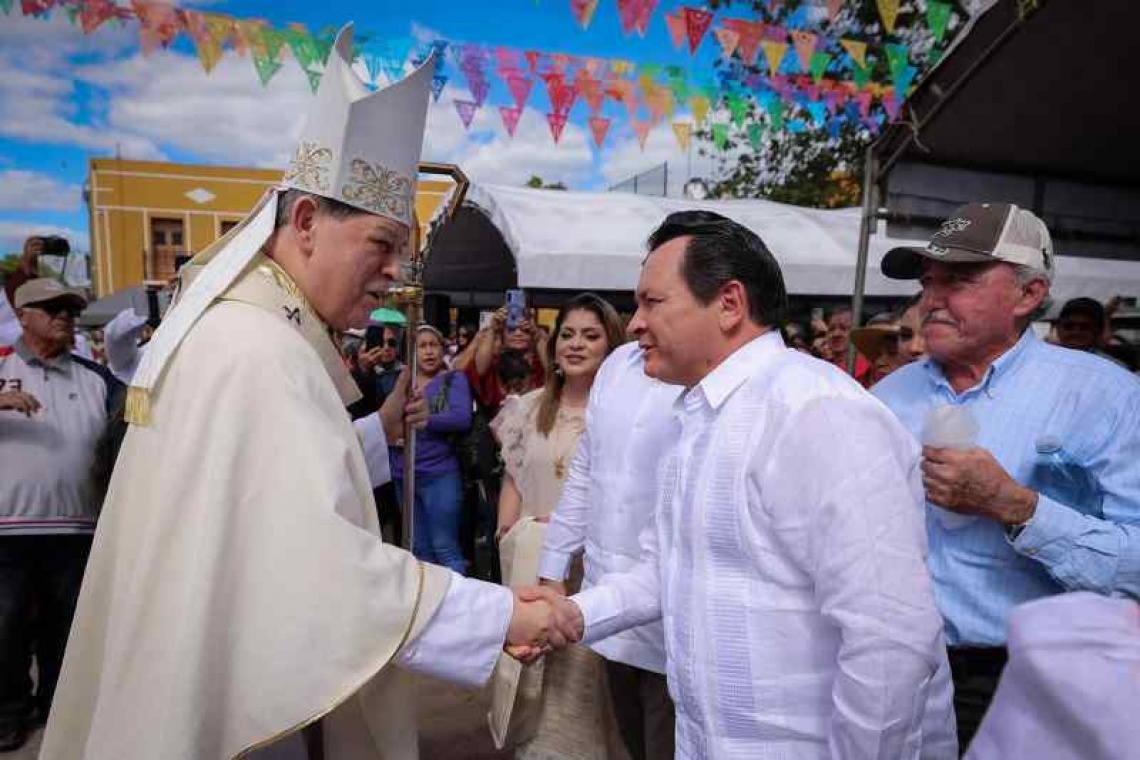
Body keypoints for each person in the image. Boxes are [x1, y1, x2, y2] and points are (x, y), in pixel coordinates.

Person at [39, 26, 556, 760]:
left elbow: (258, 493)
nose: (394, 277)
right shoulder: (259, 348)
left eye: (403, 255)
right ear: (308, 222)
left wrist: (376, 433)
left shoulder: (249, 330)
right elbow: (314, 568)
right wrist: (499, 613)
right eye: (382, 246)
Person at [534, 211, 956, 759]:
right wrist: (575, 614)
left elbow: (889, 641)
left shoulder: (815, 412)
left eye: (652, 302)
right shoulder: (697, 417)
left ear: (729, 304)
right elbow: (666, 570)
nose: (634, 323)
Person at [872, 202, 1140, 749]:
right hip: (896, 674)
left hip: (1033, 682)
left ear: (1029, 294)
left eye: (961, 279)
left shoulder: (1106, 397)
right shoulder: (885, 398)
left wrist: (1018, 507)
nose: (935, 299)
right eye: (929, 281)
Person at [490, 293, 629, 760]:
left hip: (587, 568)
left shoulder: (620, 416)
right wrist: (507, 531)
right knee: (527, 668)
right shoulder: (527, 408)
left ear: (612, 345)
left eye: (591, 336)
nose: (576, 345)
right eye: (567, 334)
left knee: (577, 680)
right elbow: (515, 474)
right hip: (530, 561)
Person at [537, 334, 682, 760]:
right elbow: (587, 471)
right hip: (610, 609)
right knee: (630, 740)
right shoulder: (620, 364)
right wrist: (553, 569)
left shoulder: (705, 377)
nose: (636, 319)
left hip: (670, 619)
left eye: (652, 301)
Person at [0, 279, 123, 753]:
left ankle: (60, 704)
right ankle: (9, 711)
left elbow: (132, 419)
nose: (65, 317)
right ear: (23, 314)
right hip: (8, 530)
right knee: (5, 627)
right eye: (52, 309)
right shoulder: (2, 365)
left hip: (75, 528)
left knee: (67, 627)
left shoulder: (95, 377)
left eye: (70, 310)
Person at [390, 325, 472, 575]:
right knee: (419, 550)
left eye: (433, 345)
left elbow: (462, 418)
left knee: (445, 548)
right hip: (404, 476)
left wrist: (428, 420)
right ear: (410, 353)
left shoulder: (452, 379)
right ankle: (429, 610)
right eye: (421, 346)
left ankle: (461, 610)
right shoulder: (400, 381)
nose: (428, 352)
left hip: (439, 475)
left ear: (442, 349)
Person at [1053, 297, 1127, 367]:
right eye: (1068, 326)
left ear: (1098, 331)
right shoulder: (1044, 361)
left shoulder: (1115, 368)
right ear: (1058, 328)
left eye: (1085, 327)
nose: (1076, 332)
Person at [824, 305, 873, 386]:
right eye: (831, 329)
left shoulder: (871, 370)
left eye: (844, 328)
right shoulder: (823, 368)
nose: (836, 334)